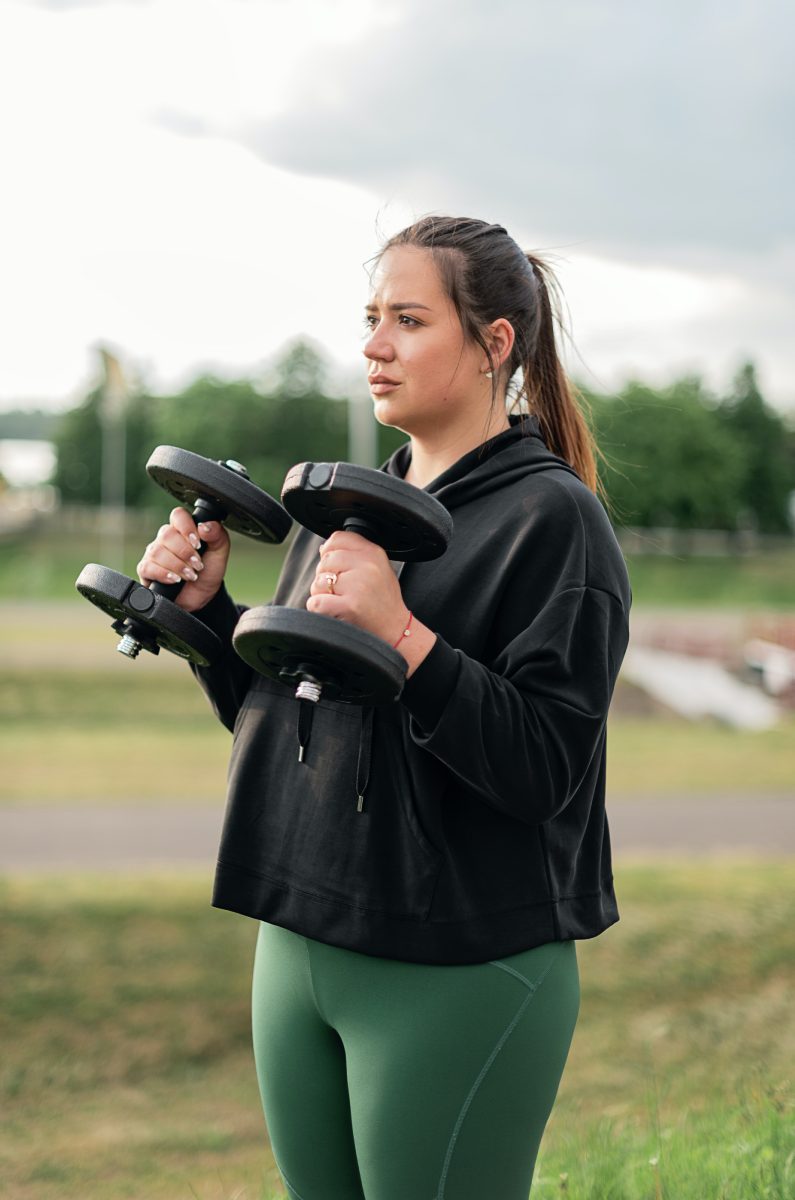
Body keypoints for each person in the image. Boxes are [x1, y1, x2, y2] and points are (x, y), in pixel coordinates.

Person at [137, 215, 632, 1200]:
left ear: (495, 345)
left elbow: (543, 767)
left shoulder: (554, 522)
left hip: (458, 965)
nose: (373, 346)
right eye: (371, 317)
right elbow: (291, 724)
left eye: (408, 319)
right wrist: (210, 620)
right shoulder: (348, 512)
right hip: (300, 942)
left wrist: (404, 636)